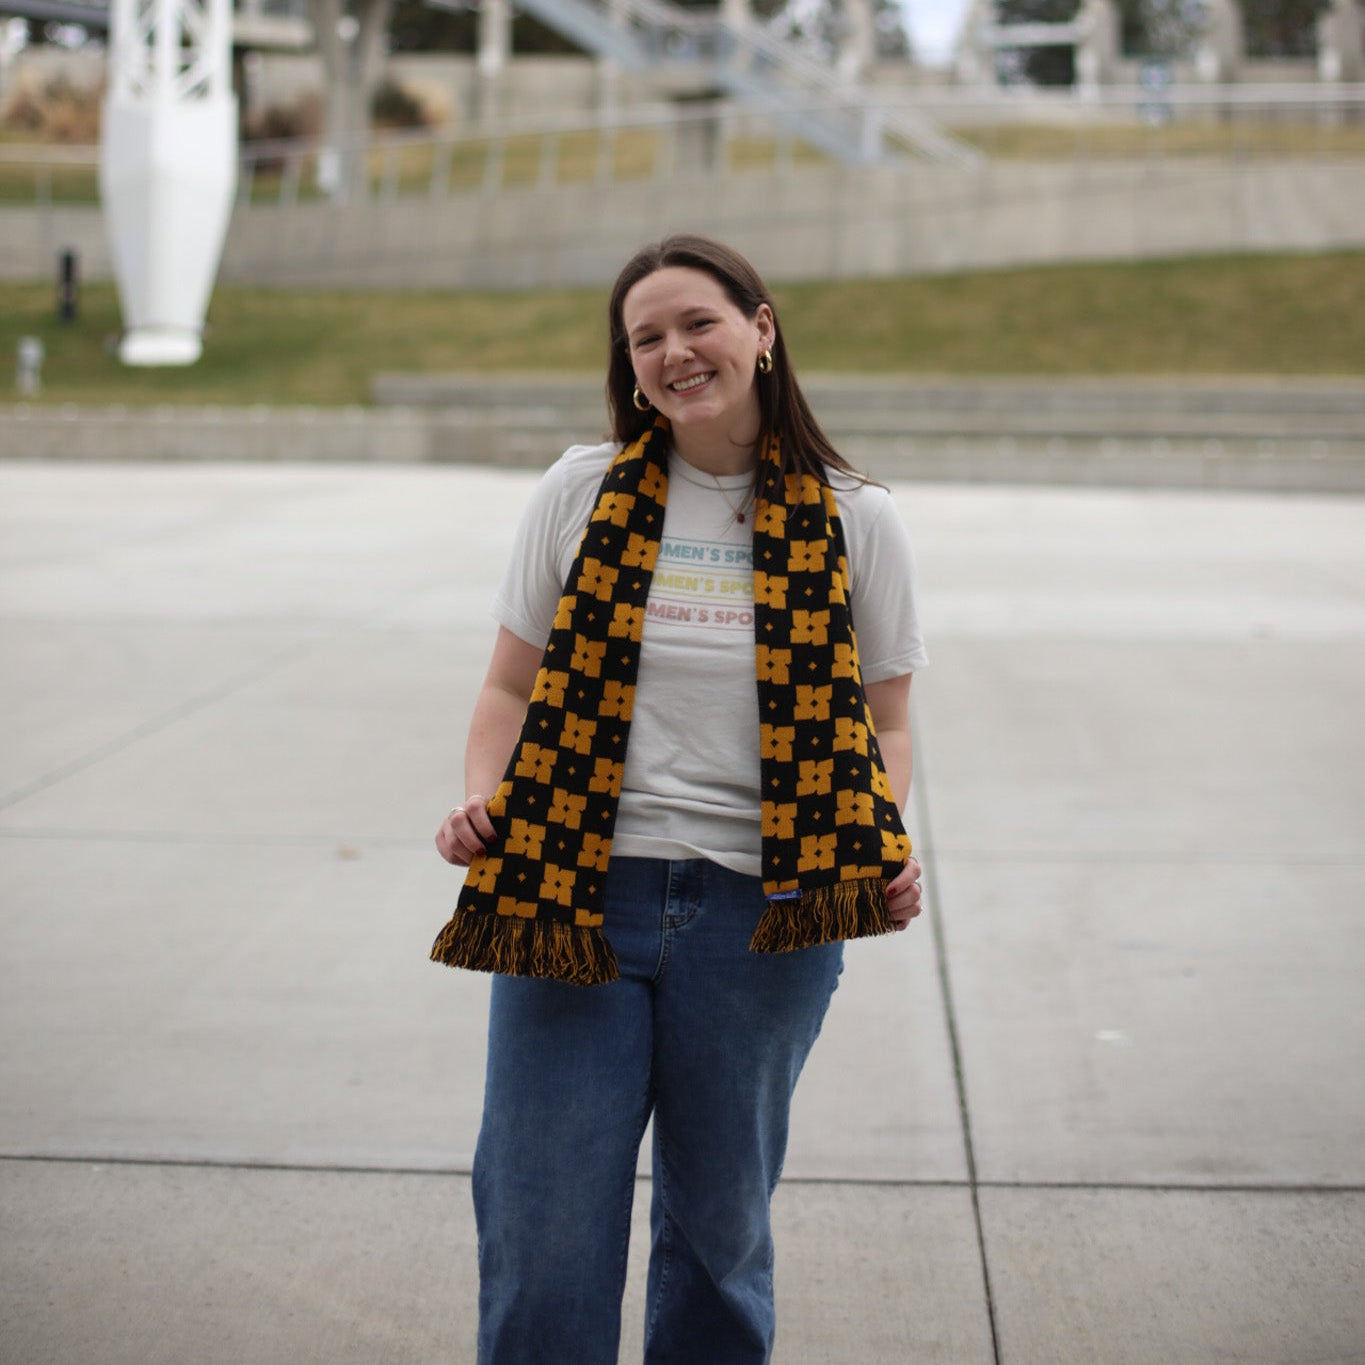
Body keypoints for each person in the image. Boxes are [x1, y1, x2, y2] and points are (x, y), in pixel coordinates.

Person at [432, 233, 928, 1365]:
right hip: (572, 898)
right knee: (542, 1225)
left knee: (717, 1236)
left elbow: (886, 721)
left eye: (696, 323)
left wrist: (878, 841)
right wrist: (480, 798)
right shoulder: (580, 490)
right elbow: (510, 686)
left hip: (762, 917)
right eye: (645, 337)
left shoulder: (860, 519)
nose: (673, 352)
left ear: (761, 327)